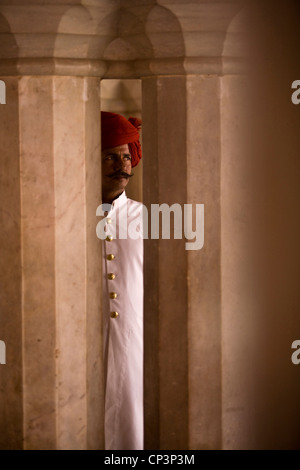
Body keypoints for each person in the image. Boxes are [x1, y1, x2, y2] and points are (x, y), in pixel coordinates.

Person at [100, 111, 144, 450]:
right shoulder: (68, 216)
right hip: (85, 344)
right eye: (112, 156)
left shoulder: (146, 219)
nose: (122, 164)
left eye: (126, 156)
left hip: (134, 340)